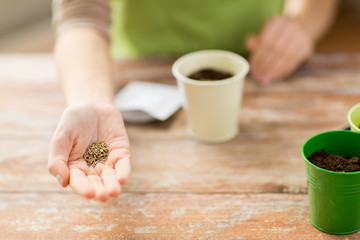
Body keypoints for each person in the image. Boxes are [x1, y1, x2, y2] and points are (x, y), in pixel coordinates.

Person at [47, 0, 339, 201]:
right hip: (138, 66)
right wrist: (91, 99)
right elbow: (80, 13)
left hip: (262, 63)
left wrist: (300, 23)